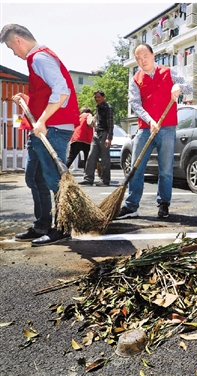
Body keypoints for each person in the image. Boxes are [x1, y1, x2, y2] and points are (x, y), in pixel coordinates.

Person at [0, 24, 79, 246]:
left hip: (53, 128)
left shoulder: (39, 58)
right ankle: (42, 224)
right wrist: (28, 100)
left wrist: (43, 120)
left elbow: (62, 91)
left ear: (18, 39)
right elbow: (49, 92)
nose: (13, 53)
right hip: (44, 127)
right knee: (34, 178)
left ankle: (62, 227)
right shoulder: (38, 59)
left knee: (54, 180)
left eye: (10, 47)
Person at [116, 43, 192, 219]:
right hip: (145, 129)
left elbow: (189, 87)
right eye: (138, 58)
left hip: (167, 128)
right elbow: (135, 104)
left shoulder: (169, 72)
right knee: (136, 167)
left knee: (165, 169)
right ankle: (131, 206)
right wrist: (150, 121)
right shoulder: (136, 79)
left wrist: (178, 87)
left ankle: (164, 204)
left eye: (145, 56)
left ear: (153, 55)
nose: (142, 61)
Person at [79, 90, 114, 186]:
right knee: (91, 157)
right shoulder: (98, 108)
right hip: (96, 134)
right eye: (95, 97)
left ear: (104, 97)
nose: (97, 99)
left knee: (105, 158)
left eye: (98, 97)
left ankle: (105, 180)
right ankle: (88, 179)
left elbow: (111, 124)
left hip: (104, 134)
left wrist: (109, 137)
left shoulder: (108, 108)